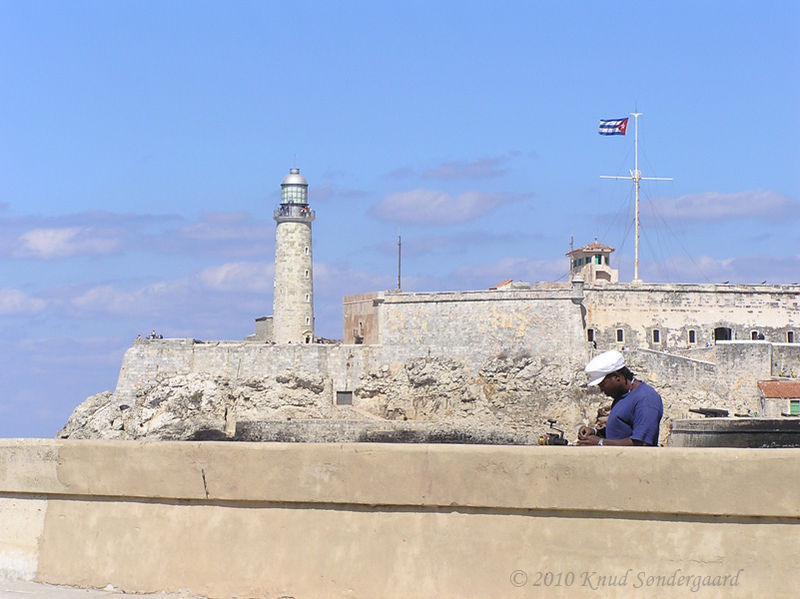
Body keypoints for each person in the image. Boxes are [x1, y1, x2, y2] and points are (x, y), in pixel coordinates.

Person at [577, 350, 663, 446]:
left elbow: (641, 442)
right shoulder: (622, 396)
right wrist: (595, 432)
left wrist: (600, 442)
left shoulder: (646, 399)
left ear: (616, 377)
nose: (601, 389)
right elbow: (620, 432)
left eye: (603, 384)